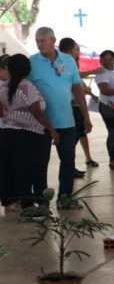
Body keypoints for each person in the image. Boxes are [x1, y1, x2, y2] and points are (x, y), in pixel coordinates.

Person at [29, 27, 90, 203]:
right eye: (37, 41)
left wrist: (85, 115)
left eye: (43, 40)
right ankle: (41, 200)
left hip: (66, 121)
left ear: (52, 40)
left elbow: (77, 89)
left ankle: (65, 197)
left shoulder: (68, 60)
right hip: (41, 123)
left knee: (68, 161)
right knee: (40, 163)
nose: (40, 44)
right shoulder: (32, 62)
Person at [0, 54, 59, 211]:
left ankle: (26, 204)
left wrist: (13, 115)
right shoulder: (27, 86)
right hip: (30, 134)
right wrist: (52, 130)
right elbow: (36, 112)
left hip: (8, 133)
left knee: (19, 170)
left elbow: (1, 112)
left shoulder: (3, 87)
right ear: (27, 69)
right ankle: (41, 201)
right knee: (37, 168)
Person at [58, 37, 98, 171]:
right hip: (69, 107)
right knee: (70, 140)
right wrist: (84, 89)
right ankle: (69, 168)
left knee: (79, 134)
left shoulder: (71, 63)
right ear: (69, 51)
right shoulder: (61, 65)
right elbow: (69, 85)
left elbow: (78, 81)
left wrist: (89, 92)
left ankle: (76, 164)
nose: (78, 52)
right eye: (76, 49)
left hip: (77, 106)